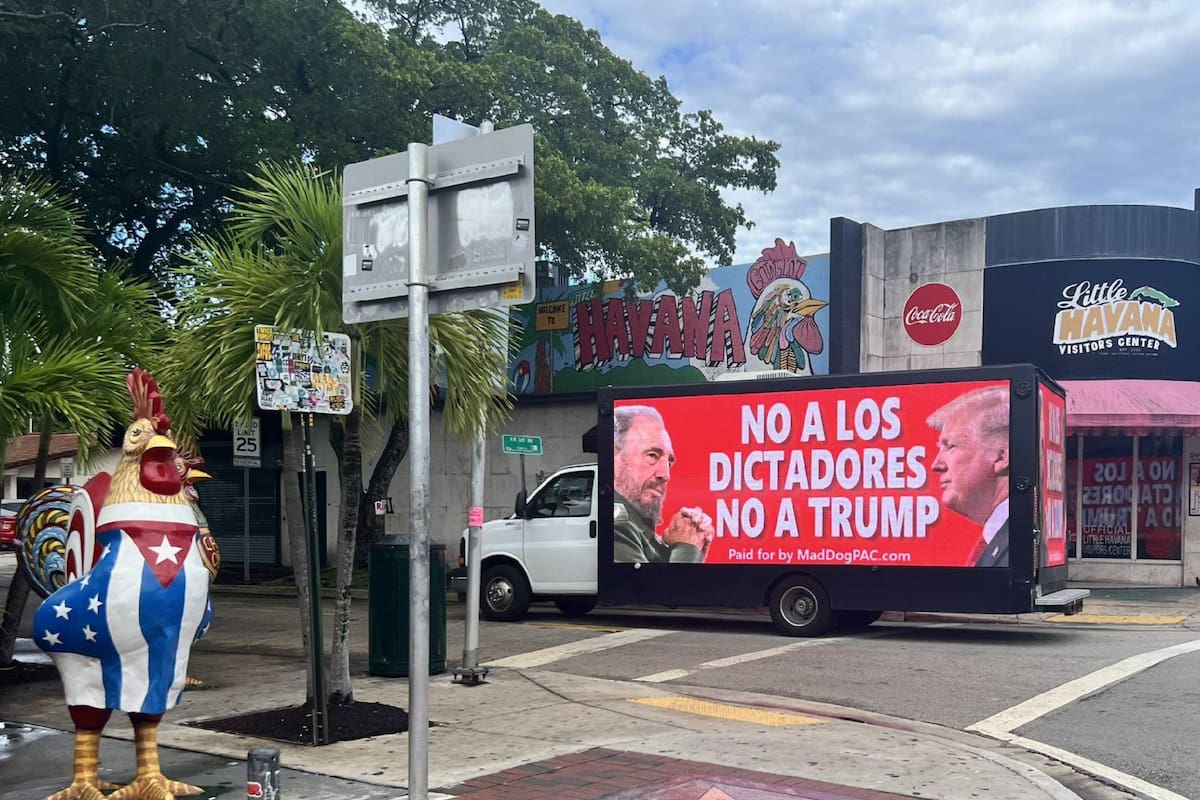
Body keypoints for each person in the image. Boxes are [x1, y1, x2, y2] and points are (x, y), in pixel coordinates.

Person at [613, 405, 714, 563]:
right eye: (652, 455)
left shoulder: (638, 526)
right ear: (616, 454)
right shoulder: (619, 526)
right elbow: (662, 587)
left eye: (669, 462)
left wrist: (685, 543)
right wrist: (686, 548)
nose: (665, 475)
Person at [927, 387, 1010, 567]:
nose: (936, 465)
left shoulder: (1013, 543)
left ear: (1002, 456)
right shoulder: (998, 537)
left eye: (951, 446)